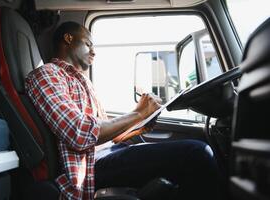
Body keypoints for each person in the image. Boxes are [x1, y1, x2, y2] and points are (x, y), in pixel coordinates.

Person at [25, 21, 221, 200]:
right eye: (88, 44)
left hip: (109, 151)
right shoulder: (47, 74)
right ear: (69, 38)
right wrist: (138, 114)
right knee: (198, 153)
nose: (94, 52)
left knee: (194, 153)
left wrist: (139, 124)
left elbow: (107, 137)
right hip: (90, 167)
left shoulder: (83, 81)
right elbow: (79, 134)